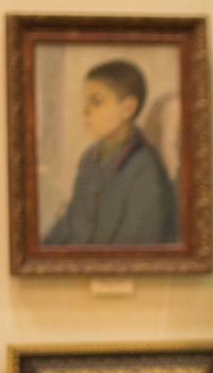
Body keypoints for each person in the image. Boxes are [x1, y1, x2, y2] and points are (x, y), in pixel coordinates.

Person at [39, 61, 177, 247]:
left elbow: (136, 243)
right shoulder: (89, 158)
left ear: (127, 109)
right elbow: (71, 220)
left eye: (96, 101)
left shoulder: (145, 170)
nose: (85, 110)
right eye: (86, 101)